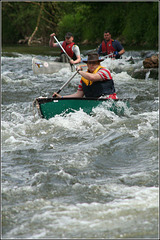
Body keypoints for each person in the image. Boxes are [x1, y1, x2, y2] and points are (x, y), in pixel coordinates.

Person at [53, 52, 118, 99]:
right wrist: (61, 97)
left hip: (108, 100)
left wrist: (79, 71)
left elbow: (92, 77)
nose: (91, 65)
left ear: (98, 63)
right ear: (87, 64)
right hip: (94, 103)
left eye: (94, 63)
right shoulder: (84, 78)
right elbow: (79, 95)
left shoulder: (105, 71)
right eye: (89, 63)